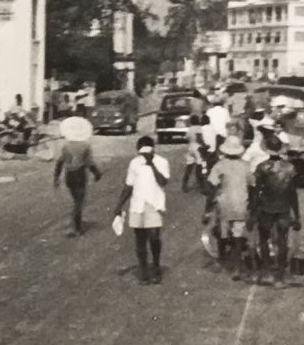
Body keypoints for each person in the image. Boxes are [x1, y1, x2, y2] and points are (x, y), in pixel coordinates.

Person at [113, 136, 171, 284]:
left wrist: (151, 163)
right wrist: (119, 205)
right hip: (137, 205)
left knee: (154, 237)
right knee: (140, 240)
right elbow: (129, 186)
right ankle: (144, 271)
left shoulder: (161, 162)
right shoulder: (134, 163)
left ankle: (156, 267)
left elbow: (163, 181)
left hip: (154, 204)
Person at [248, 129, 301, 288]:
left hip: (266, 207)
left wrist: (252, 212)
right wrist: (297, 215)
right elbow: (293, 194)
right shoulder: (290, 168)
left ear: (266, 148)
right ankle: (280, 276)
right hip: (284, 207)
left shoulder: (262, 167)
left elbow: (256, 192)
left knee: (264, 239)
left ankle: (266, 273)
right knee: (283, 241)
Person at [206, 135, 253, 280]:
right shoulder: (245, 166)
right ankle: (237, 268)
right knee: (238, 237)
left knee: (221, 232)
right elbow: (252, 185)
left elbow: (211, 187)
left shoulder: (219, 166)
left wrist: (207, 208)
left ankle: (222, 260)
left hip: (224, 204)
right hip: (241, 204)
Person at [54, 135, 103, 237]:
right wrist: (97, 173)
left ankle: (76, 223)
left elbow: (59, 162)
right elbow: (89, 162)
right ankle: (76, 227)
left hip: (69, 175)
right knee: (79, 201)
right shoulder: (85, 146)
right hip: (79, 174)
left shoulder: (66, 146)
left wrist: (56, 178)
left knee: (76, 200)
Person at [181, 114, 208, 193]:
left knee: (189, 167)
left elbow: (186, 137)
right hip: (197, 147)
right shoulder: (198, 128)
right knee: (199, 167)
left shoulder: (190, 129)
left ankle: (184, 185)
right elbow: (199, 138)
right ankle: (201, 186)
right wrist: (204, 145)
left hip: (190, 147)